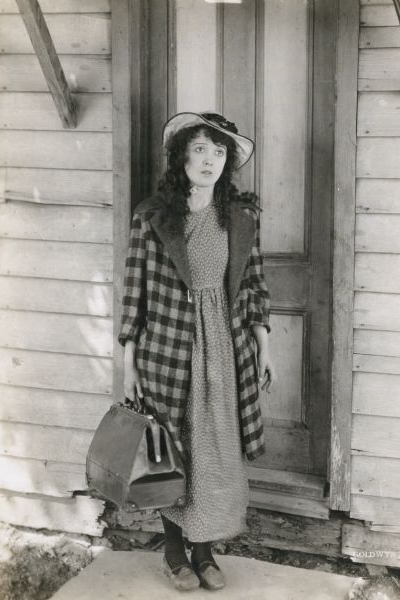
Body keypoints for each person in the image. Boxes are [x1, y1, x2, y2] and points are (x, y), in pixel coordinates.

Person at [118, 112, 276, 592]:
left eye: (220, 152)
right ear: (182, 155)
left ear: (227, 163)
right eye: (201, 148)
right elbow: (134, 293)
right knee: (173, 450)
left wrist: (263, 344)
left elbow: (252, 286)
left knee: (214, 450)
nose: (209, 160)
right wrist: (127, 363)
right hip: (166, 350)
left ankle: (204, 550)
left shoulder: (242, 219)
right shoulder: (152, 218)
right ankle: (172, 551)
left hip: (223, 351)